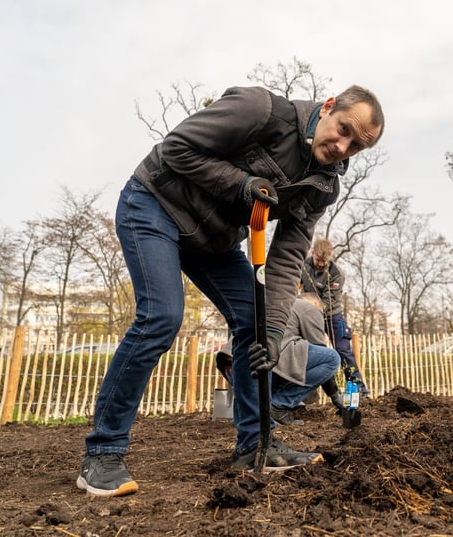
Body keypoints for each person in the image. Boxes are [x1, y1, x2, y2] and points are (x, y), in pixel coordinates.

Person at [76, 84, 384, 496]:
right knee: (162, 317)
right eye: (343, 129)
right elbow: (176, 150)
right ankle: (103, 452)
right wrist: (241, 182)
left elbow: (287, 256)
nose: (342, 146)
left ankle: (255, 444)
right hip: (155, 204)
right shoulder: (259, 110)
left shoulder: (322, 185)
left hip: (214, 241)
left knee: (256, 323)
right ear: (329, 106)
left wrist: (273, 332)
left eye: (355, 146)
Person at [215, 293, 345, 426]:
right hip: (261, 360)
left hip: (232, 364)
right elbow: (321, 355)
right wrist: (335, 395)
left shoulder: (274, 304)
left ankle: (260, 411)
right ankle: (279, 405)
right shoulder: (308, 308)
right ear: (316, 304)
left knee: (289, 357)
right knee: (332, 358)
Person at [301, 238, 369, 395]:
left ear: (329, 258)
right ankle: (310, 391)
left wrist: (312, 307)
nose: (320, 264)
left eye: (324, 261)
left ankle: (358, 388)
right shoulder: (303, 266)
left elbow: (328, 300)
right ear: (313, 253)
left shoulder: (336, 274)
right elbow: (295, 286)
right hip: (308, 314)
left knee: (343, 349)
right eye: (318, 260)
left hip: (331, 314)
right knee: (309, 350)